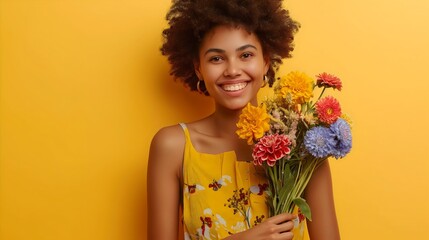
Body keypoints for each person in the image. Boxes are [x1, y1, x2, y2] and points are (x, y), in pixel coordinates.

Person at [147, 0, 340, 239]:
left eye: (246, 55)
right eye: (216, 58)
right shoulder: (173, 146)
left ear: (266, 60)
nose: (232, 70)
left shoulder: (302, 146)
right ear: (198, 68)